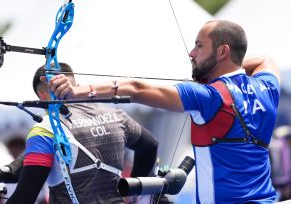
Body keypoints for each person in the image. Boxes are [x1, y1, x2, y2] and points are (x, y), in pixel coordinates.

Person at [45, 20, 281, 203]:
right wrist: (227, 70)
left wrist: (78, 92)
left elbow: (136, 89)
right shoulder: (267, 88)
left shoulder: (209, 97)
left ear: (222, 52)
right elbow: (265, 59)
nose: (192, 53)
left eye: (199, 46)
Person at [0, 63, 158, 204]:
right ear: (76, 85)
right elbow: (150, 145)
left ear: (42, 97)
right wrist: (133, 192)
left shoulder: (47, 128)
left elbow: (25, 197)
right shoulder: (115, 114)